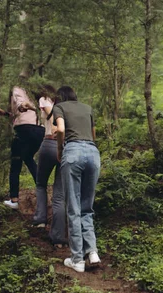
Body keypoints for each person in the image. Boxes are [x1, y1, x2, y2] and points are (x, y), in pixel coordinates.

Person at [53, 86, 101, 273]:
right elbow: (93, 134)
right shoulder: (87, 108)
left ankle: (77, 260)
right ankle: (93, 252)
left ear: (60, 97)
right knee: (86, 207)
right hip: (92, 152)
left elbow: (61, 130)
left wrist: (59, 150)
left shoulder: (60, 107)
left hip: (73, 152)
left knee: (73, 208)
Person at [0, 82, 44, 210]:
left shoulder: (17, 88)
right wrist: (6, 114)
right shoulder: (34, 93)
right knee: (28, 158)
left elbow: (20, 103)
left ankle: (14, 199)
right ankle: (42, 192)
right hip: (39, 130)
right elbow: (21, 114)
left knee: (15, 162)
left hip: (24, 129)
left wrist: (21, 105)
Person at [32, 84, 68, 248]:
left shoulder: (44, 99)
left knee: (41, 184)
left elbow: (49, 113)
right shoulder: (66, 106)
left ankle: (40, 220)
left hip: (49, 144)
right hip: (65, 146)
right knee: (59, 194)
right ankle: (58, 238)